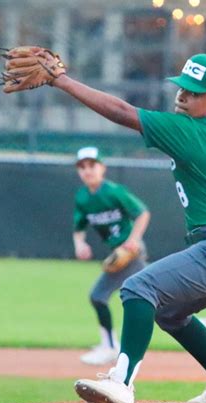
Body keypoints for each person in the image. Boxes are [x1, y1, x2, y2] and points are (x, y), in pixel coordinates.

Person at [50, 52, 206, 403]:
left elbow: (123, 112)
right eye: (183, 88)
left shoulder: (190, 131)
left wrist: (62, 81)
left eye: (194, 93)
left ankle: (122, 382)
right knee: (171, 314)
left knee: (137, 289)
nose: (182, 96)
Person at [73, 146, 151, 365]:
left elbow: (142, 212)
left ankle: (109, 347)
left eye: (92, 165)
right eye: (82, 167)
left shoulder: (114, 191)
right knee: (159, 300)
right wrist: (79, 243)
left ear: (102, 168)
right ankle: (200, 322)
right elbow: (79, 226)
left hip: (131, 253)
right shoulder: (82, 197)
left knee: (98, 295)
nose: (87, 171)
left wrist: (133, 239)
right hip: (119, 254)